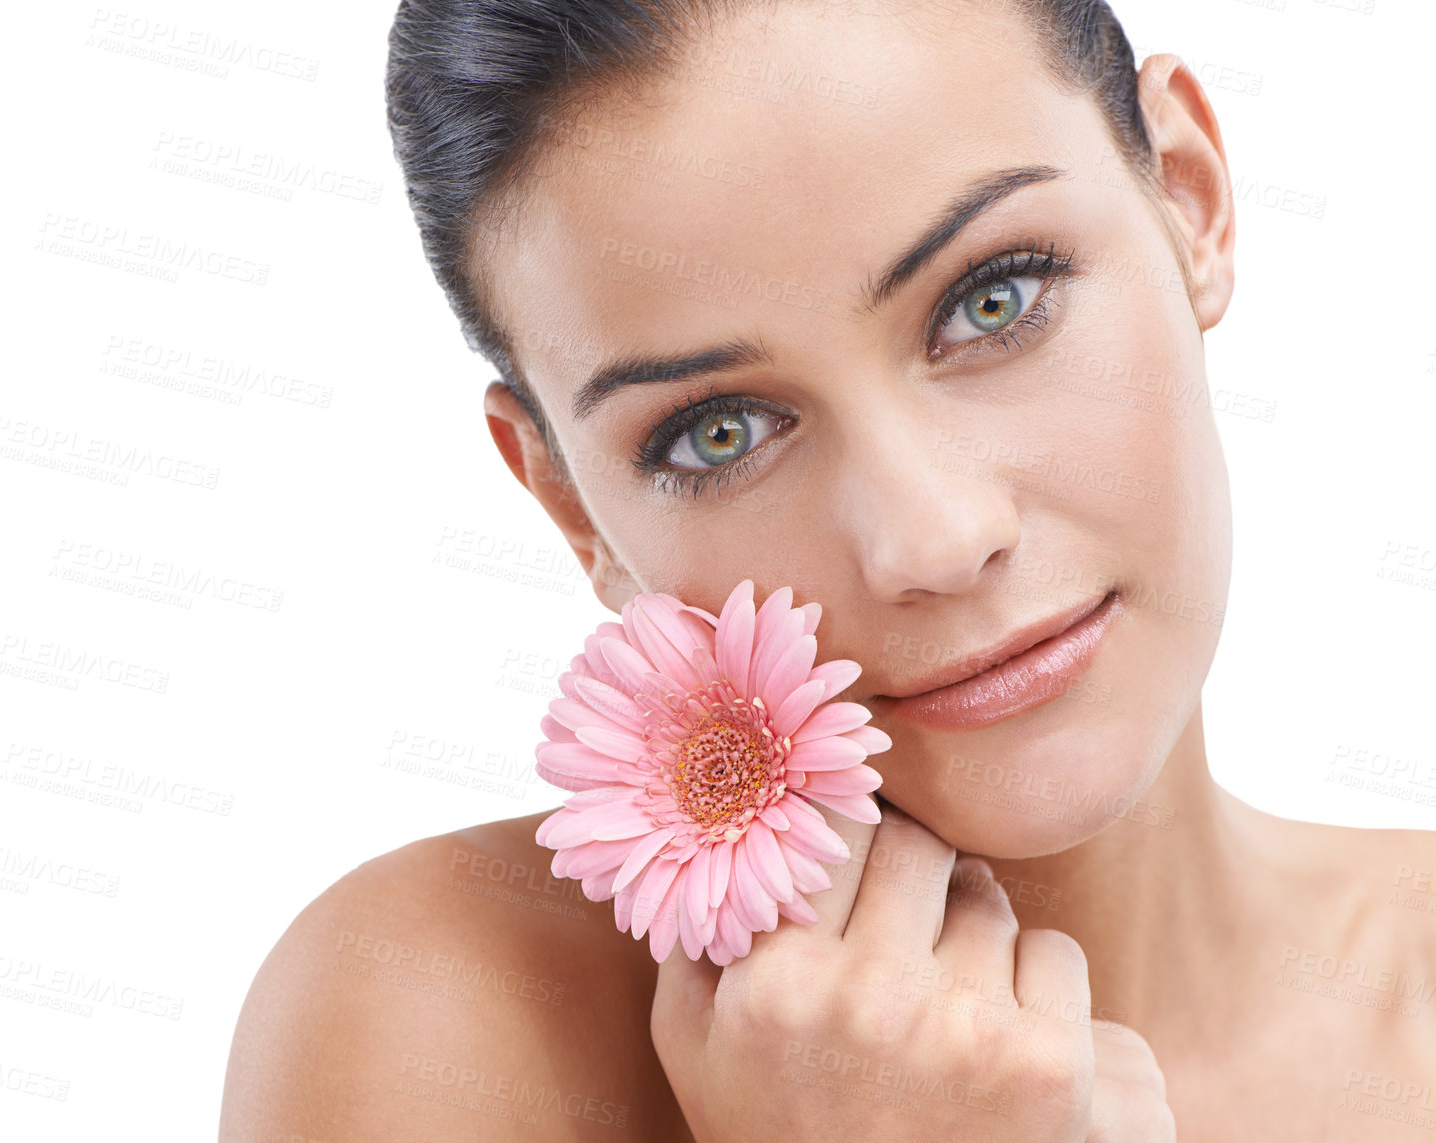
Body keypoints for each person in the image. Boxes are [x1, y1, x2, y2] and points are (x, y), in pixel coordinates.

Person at [221, 1, 1436, 1137]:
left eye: (994, 299)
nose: (937, 538)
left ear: (1189, 202)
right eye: (722, 433)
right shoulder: (446, 1014)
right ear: (568, 505)